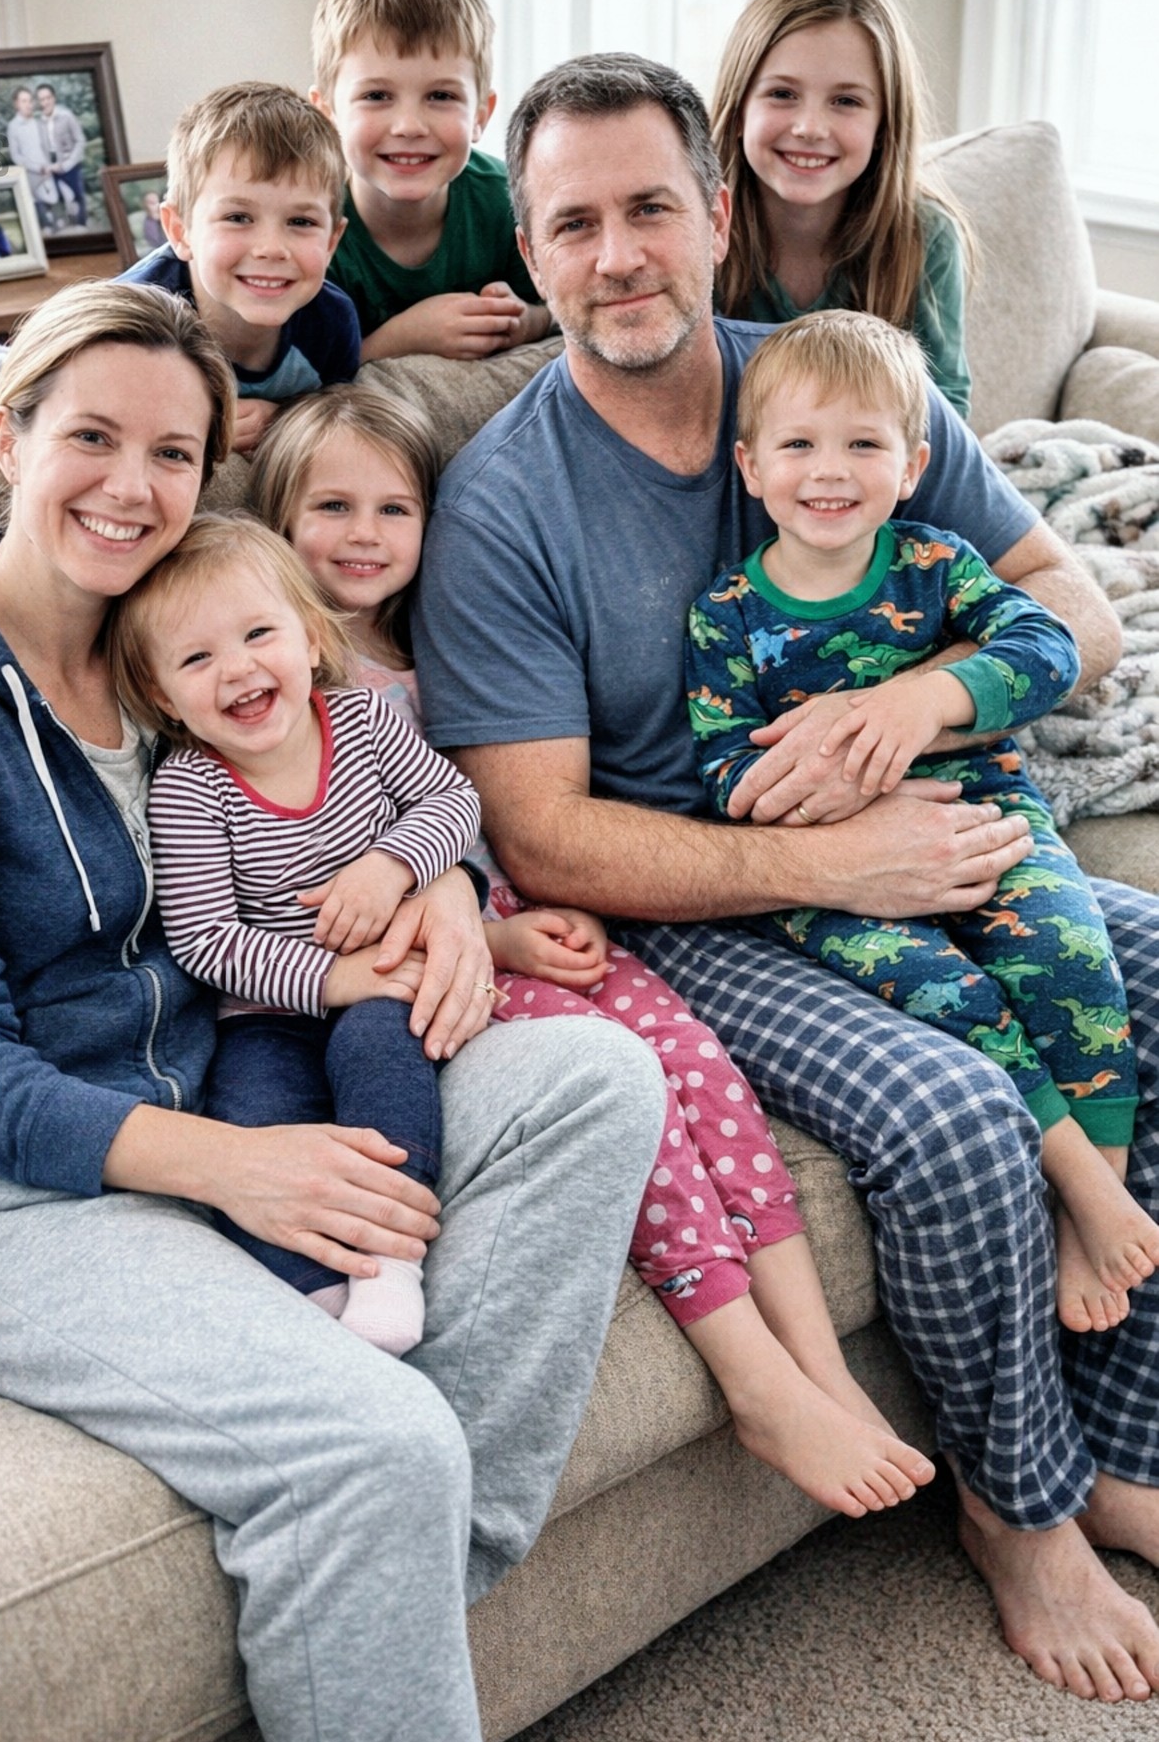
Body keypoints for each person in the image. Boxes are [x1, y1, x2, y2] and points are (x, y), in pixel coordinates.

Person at [0, 278, 665, 1742]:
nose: (131, 486)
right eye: (94, 438)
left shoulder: (168, 637)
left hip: (230, 1074)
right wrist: (234, 1166)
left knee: (591, 1080)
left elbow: (352, 785)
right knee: (372, 1445)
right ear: (11, 435)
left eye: (173, 453)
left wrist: (440, 891)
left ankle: (397, 1584)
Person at [412, 49, 1159, 1706]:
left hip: (934, 816)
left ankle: (1122, 1447)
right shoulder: (504, 508)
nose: (618, 255)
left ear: (715, 210)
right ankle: (1018, 1508)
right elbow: (543, 839)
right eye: (573, 224)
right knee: (954, 1107)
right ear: (530, 251)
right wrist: (826, 860)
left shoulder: (837, 392)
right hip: (691, 910)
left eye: (650, 208)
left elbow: (1077, 611)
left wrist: (918, 704)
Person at [251, 382, 935, 1516]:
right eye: (331, 507)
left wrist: (511, 912)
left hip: (509, 909)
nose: (363, 535)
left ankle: (824, 1369)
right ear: (278, 520)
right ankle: (757, 1380)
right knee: (639, 1095)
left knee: (696, 1059)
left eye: (392, 509)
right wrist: (486, 927)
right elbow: (314, 880)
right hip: (419, 966)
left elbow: (476, 810)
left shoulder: (439, 639)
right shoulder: (280, 681)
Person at [687, 308, 1158, 1337]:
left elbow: (1048, 646)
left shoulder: (938, 564)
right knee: (945, 990)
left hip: (982, 809)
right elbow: (726, 774)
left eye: (863, 443)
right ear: (751, 467)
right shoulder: (725, 617)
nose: (830, 470)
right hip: (823, 863)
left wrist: (921, 702)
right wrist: (832, 792)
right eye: (799, 444)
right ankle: (1075, 1169)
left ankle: (1094, 1202)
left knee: (1073, 958)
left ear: (911, 466)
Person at [109, 513, 482, 1357]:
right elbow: (205, 940)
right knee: (253, 1116)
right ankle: (312, 1291)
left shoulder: (365, 724)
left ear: (311, 639)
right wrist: (328, 978)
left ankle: (388, 1259)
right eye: (196, 659)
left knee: (380, 1056)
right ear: (163, 697)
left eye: (258, 635)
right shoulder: (190, 789)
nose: (237, 668)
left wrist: (391, 865)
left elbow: (454, 802)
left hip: (383, 986)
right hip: (265, 1015)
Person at [711, 0, 973, 418]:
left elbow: (944, 410)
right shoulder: (695, 225)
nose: (810, 127)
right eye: (782, 94)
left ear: (884, 125)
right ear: (738, 110)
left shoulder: (925, 238)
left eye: (846, 101)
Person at [310, 0, 551, 361]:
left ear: (480, 116)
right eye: (376, 96)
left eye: (441, 96)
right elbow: (300, 371)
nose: (409, 126)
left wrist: (528, 321)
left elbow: (564, 309)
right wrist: (401, 338)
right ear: (328, 114)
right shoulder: (307, 222)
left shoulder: (507, 201)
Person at [116, 81, 360, 456]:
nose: (271, 248)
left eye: (301, 222)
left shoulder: (332, 324)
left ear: (331, 241)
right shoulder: (129, 323)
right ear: (180, 230)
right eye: (238, 217)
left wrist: (282, 419)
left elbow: (336, 417)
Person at [34, 81, 89, 227]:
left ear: (54, 98)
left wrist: (66, 164)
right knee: (55, 196)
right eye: (42, 99)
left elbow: (80, 141)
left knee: (77, 195)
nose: (45, 102)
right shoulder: (38, 122)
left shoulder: (67, 116)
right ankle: (62, 226)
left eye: (48, 98)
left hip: (70, 164)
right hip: (51, 165)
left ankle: (82, 225)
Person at [6, 86, 60, 231]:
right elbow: (15, 155)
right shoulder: (13, 126)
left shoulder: (39, 121)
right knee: (37, 202)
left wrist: (50, 165)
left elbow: (48, 145)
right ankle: (46, 226)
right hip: (31, 173)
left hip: (47, 169)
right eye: (24, 101)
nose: (28, 105)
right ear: (16, 104)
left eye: (30, 101)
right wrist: (36, 168)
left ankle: (57, 224)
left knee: (53, 198)